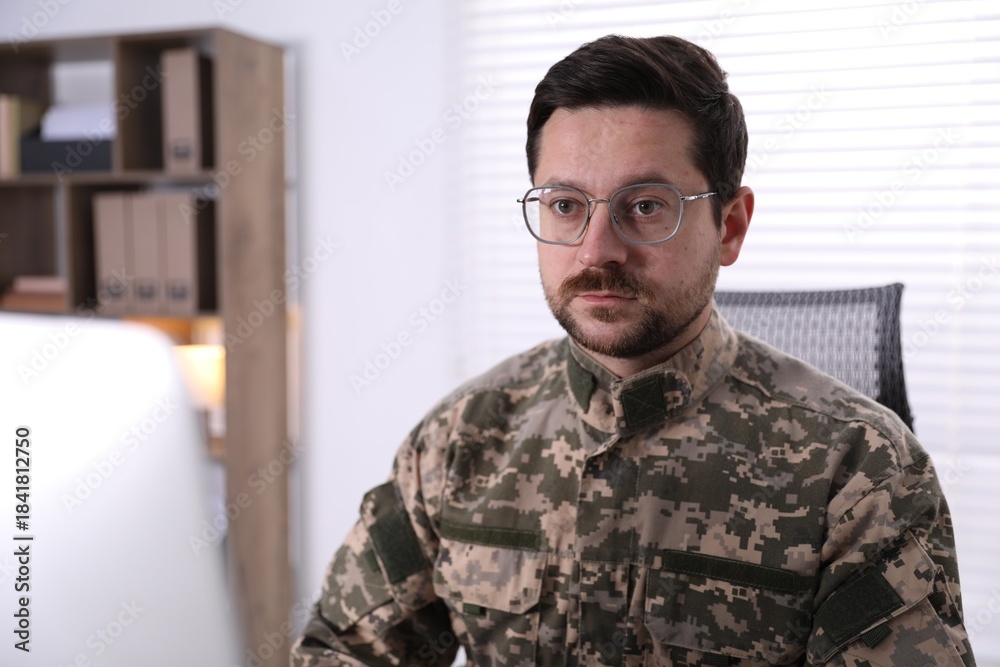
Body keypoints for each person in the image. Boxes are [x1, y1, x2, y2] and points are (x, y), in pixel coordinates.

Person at [291, 34, 975, 666]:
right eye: (565, 205)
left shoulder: (858, 467)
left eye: (645, 206)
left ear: (729, 225)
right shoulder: (458, 442)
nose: (596, 250)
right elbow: (341, 649)